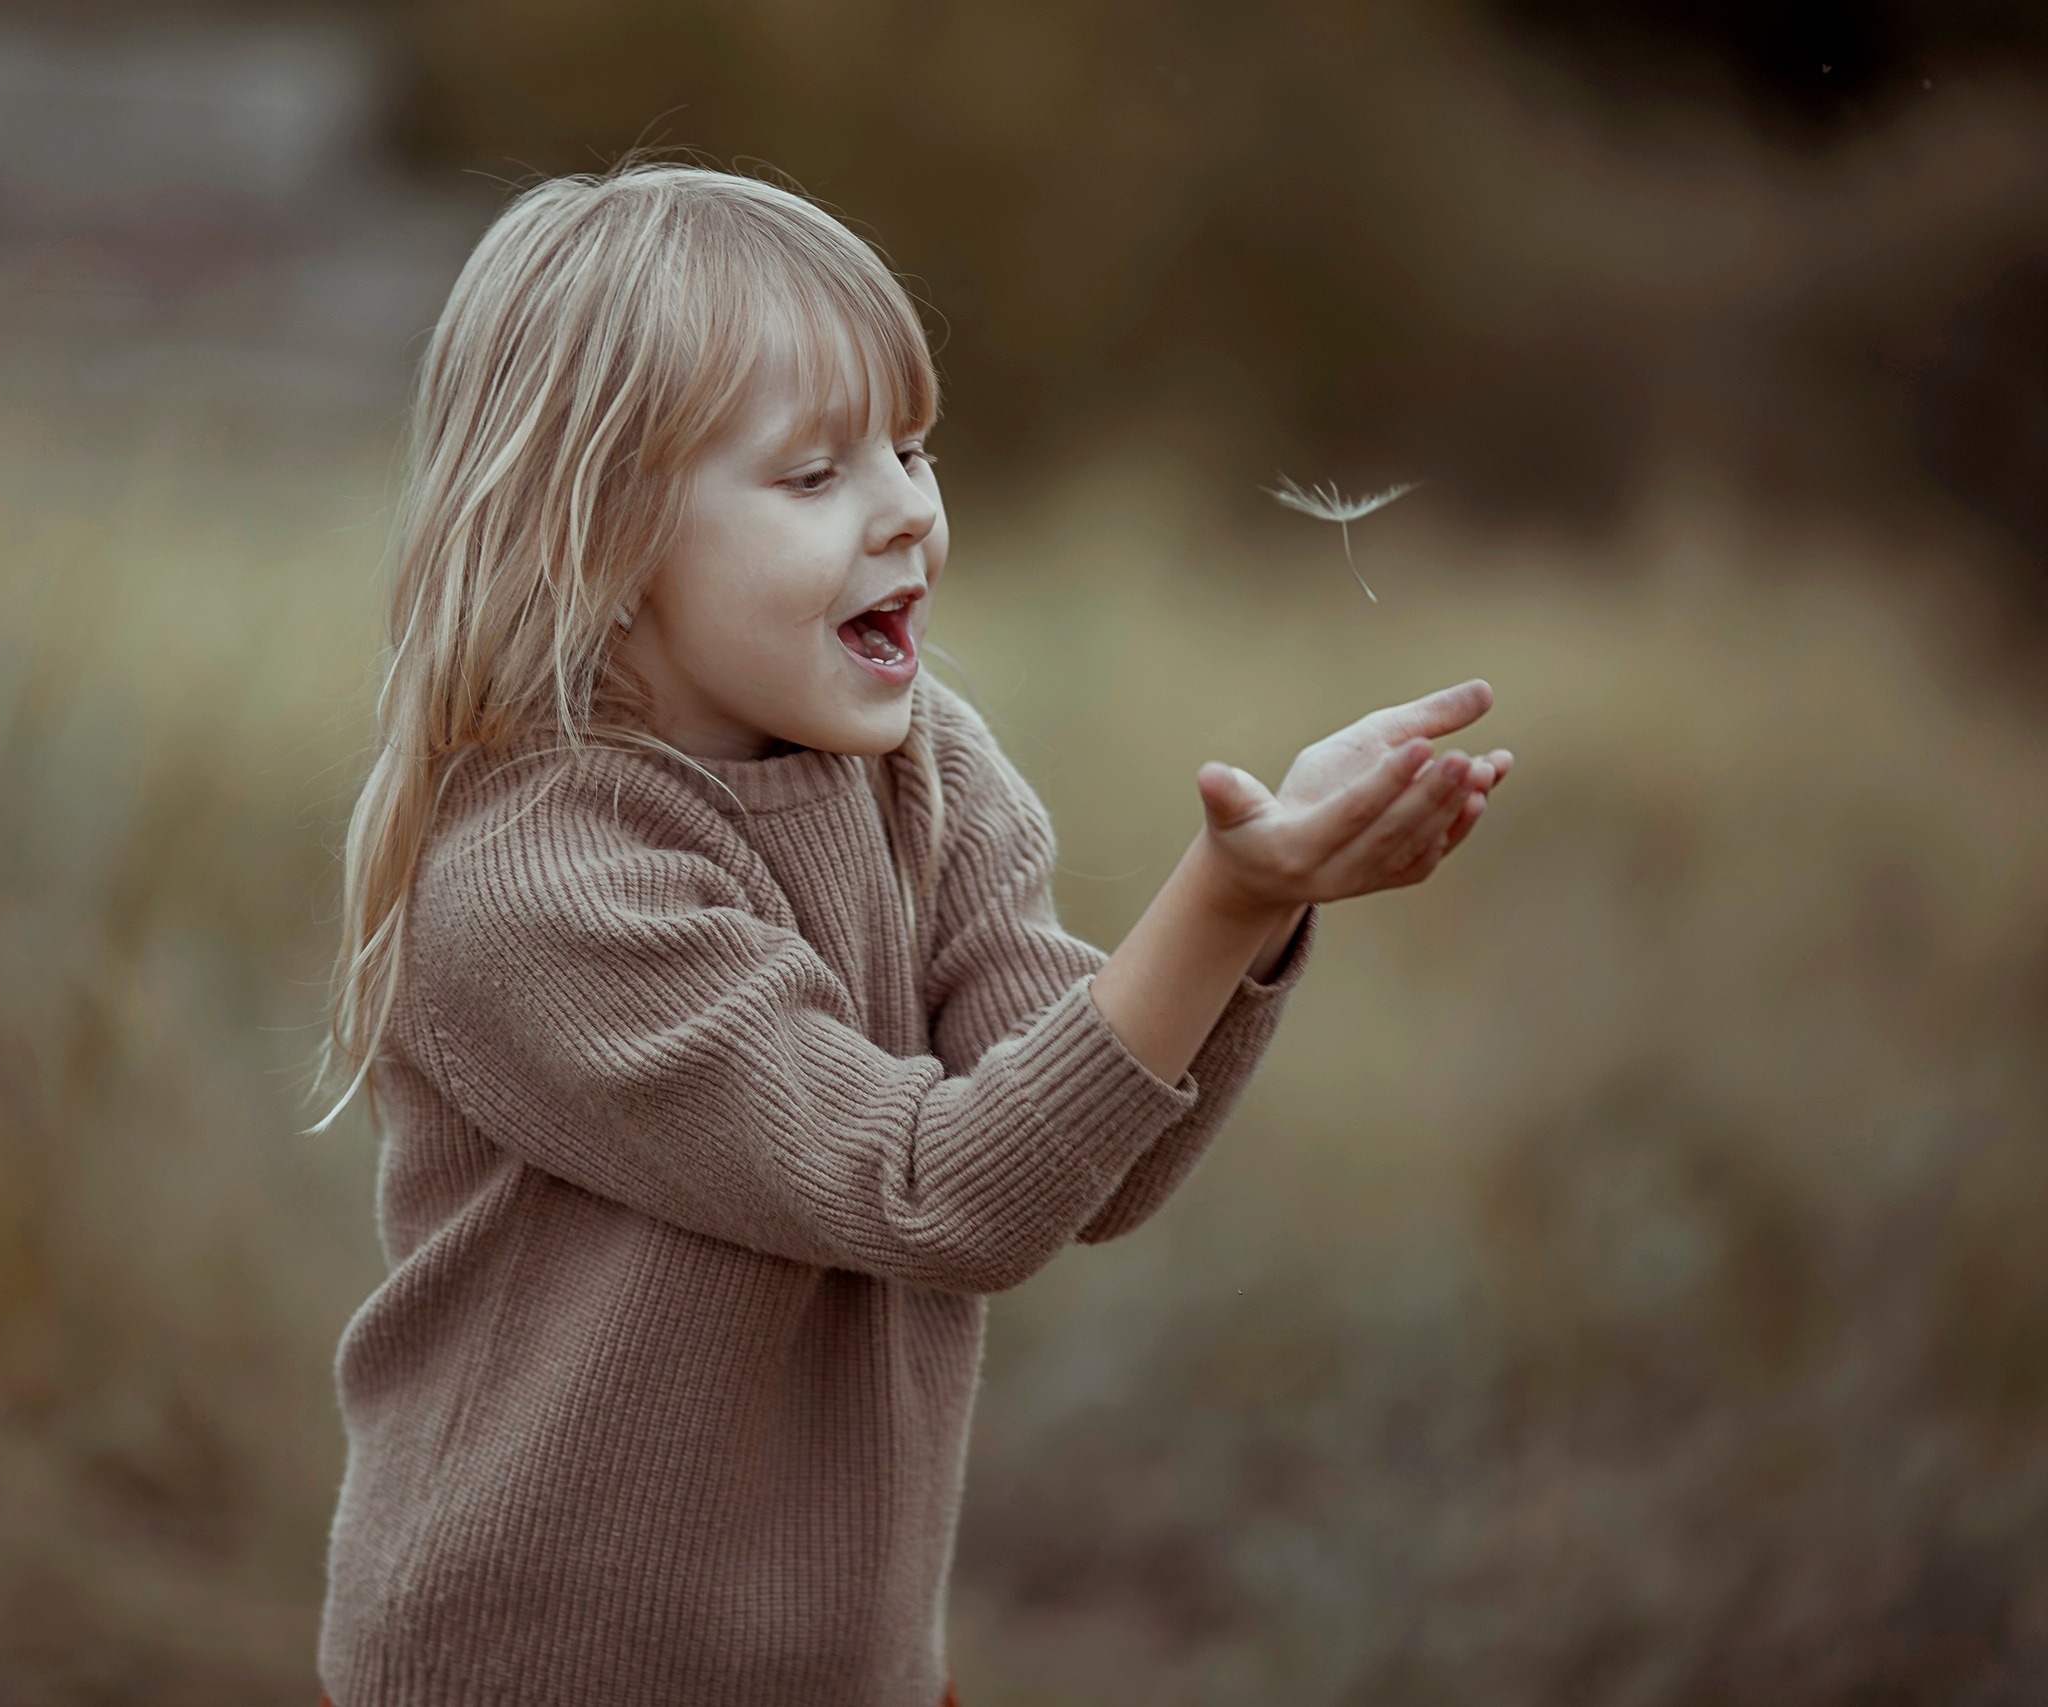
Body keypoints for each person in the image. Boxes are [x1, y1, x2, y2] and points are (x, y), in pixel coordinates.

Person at [311, 162, 1510, 1707]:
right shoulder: (539, 888)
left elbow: (1094, 1167)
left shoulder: (925, 768)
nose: (907, 513)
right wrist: (1221, 898)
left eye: (913, 448)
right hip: (537, 1675)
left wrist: (1260, 908)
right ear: (590, 545)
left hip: (851, 1666)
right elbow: (936, 1195)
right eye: (814, 477)